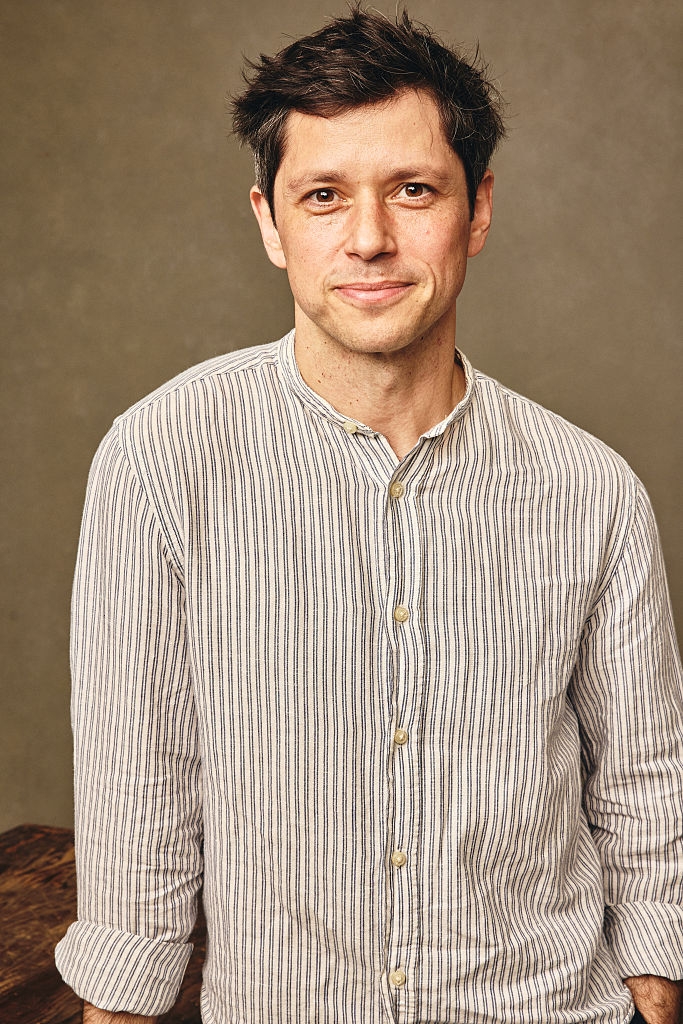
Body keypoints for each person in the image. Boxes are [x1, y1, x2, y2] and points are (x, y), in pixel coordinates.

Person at [55, 7, 683, 1023]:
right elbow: (143, 797)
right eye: (322, 195)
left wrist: (652, 992)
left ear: (476, 208)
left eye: (413, 190)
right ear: (268, 220)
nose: (368, 239)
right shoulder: (159, 459)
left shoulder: (591, 489)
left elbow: (646, 787)